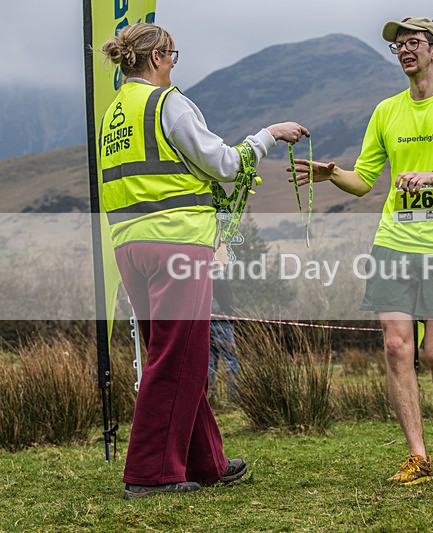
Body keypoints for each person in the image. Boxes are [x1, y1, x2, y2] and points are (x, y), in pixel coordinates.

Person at [99, 23, 309, 499]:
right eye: (173, 55)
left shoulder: (114, 114)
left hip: (129, 245)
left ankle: (205, 462)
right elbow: (225, 164)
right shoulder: (166, 102)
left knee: (167, 353)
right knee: (181, 359)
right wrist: (268, 136)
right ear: (155, 58)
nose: (174, 64)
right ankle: (151, 472)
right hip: (178, 241)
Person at [292, 17, 433, 485]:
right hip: (394, 244)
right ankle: (418, 457)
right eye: (397, 46)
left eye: (413, 43)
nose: (404, 51)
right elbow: (362, 181)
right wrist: (330, 175)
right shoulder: (386, 112)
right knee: (396, 347)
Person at [209, 278, 239, 400]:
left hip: (207, 324)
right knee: (231, 359)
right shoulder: (220, 279)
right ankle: (233, 396)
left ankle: (210, 396)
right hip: (223, 324)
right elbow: (228, 304)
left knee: (210, 361)